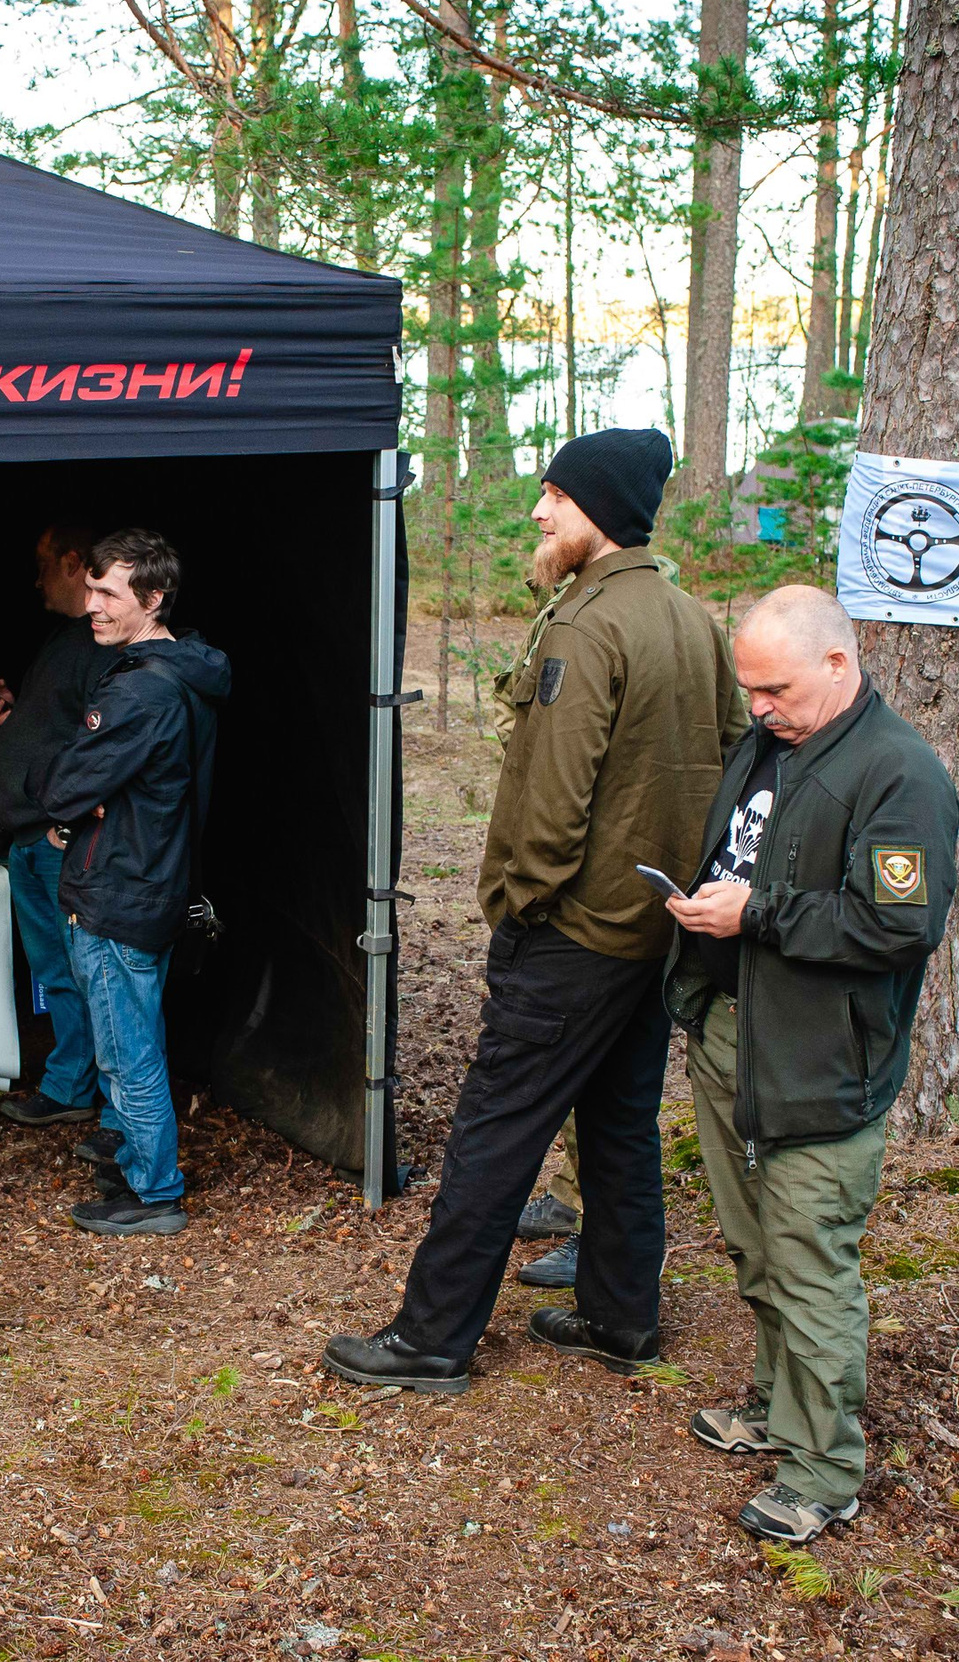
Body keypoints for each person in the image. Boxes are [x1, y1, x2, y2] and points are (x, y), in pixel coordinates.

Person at [321, 428, 746, 1392]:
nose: (538, 510)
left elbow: (554, 798)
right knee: (622, 1125)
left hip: (573, 936)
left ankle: (431, 1338)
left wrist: (522, 905)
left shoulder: (587, 626)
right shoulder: (692, 618)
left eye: (555, 495)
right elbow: (733, 763)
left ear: (599, 509)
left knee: (495, 1131)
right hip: (654, 930)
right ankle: (621, 1317)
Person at [664, 585, 959, 1545]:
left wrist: (755, 913)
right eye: (748, 690)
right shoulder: (771, 741)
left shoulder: (900, 773)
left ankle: (824, 1469)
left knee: (809, 1260)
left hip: (821, 1062)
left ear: (839, 663)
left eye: (775, 690)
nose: (758, 708)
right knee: (755, 1245)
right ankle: (773, 1401)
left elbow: (898, 925)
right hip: (733, 1035)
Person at [36, 528, 229, 1236]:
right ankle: (135, 1163)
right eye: (90, 589)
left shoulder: (142, 690)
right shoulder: (181, 671)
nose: (92, 604)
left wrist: (72, 793)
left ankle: (154, 1193)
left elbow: (63, 786)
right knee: (132, 1038)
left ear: (152, 598)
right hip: (149, 880)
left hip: (122, 890)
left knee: (128, 1051)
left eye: (109, 593)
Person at [0, 524, 118, 1129]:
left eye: (43, 564)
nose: (36, 580)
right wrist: (14, 718)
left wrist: (70, 817)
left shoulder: (104, 643)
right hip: (29, 838)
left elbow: (105, 739)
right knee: (57, 972)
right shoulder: (64, 639)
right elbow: (58, 727)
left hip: (58, 840)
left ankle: (114, 1109)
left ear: (72, 561)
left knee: (90, 973)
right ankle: (69, 1086)